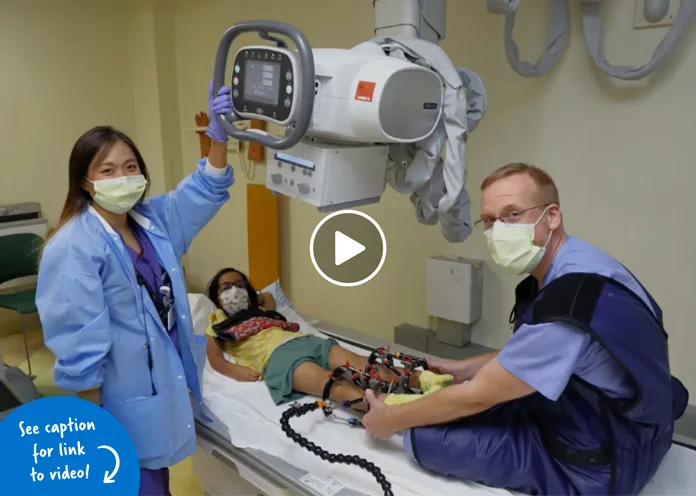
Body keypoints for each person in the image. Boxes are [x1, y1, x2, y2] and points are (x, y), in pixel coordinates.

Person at [361, 163, 689, 495]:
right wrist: (467, 367)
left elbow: (477, 397)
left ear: (552, 216)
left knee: (428, 438)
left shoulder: (565, 309)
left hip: (601, 465)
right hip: (643, 429)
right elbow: (552, 354)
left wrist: (390, 420)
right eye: (489, 220)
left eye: (513, 214)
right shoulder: (586, 264)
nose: (498, 229)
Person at [35, 82, 235, 496]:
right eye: (107, 171)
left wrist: (218, 138)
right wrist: (93, 434)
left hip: (159, 391)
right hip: (116, 406)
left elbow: (204, 191)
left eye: (130, 167)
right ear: (85, 183)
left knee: (156, 478)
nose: (122, 177)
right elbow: (79, 347)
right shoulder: (75, 246)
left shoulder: (153, 222)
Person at [204, 268, 452, 409]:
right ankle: (396, 408)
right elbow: (215, 358)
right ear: (216, 297)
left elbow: (267, 297)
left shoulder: (262, 308)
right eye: (225, 288)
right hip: (278, 358)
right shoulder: (217, 321)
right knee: (333, 384)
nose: (233, 291)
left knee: (365, 366)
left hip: (306, 341)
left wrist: (249, 297)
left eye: (239, 285)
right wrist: (233, 370)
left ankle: (427, 380)